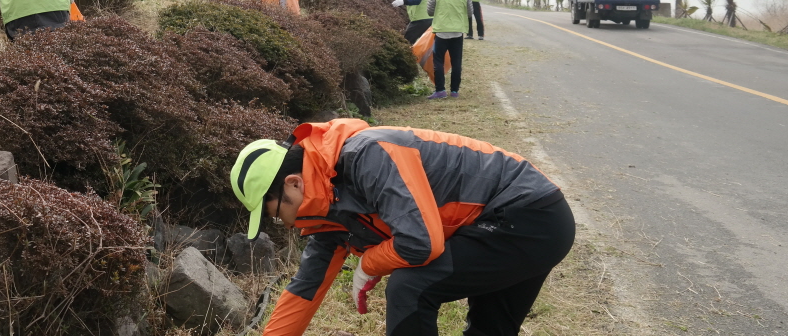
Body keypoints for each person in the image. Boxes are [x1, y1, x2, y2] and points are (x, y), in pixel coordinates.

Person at [230, 118, 575, 336]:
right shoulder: (324, 213)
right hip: (513, 221)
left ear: (292, 183)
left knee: (411, 287)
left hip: (530, 215)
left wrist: (368, 263)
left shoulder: (366, 155)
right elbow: (305, 290)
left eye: (275, 212)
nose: (282, 224)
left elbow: (420, 243)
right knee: (490, 328)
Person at [426, 0, 471, 99]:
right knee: (456, 62)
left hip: (441, 31)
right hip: (457, 32)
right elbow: (469, 13)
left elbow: (429, 11)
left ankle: (440, 90)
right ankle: (455, 91)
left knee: (438, 61)